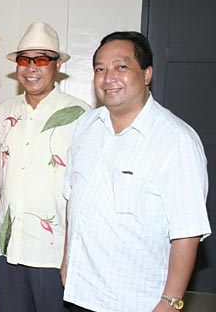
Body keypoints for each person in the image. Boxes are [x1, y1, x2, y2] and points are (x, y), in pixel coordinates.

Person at [61, 31, 211, 312]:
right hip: (81, 293)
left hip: (136, 300)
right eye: (100, 69)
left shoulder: (176, 141)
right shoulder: (86, 127)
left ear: (146, 74)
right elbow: (73, 199)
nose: (108, 78)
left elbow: (187, 233)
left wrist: (170, 303)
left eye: (121, 66)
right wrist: (67, 261)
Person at [0, 22, 90, 312]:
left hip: (55, 249)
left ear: (56, 66)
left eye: (41, 59)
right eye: (24, 60)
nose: (31, 68)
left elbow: (86, 186)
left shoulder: (80, 115)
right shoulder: (4, 112)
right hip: (10, 242)